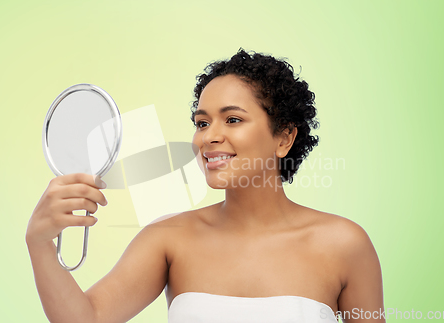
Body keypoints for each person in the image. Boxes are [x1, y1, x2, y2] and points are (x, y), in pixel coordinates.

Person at [26, 49, 385, 323]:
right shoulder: (168, 238)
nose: (209, 137)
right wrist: (40, 243)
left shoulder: (345, 245)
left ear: (285, 137)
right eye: (201, 122)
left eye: (232, 119)